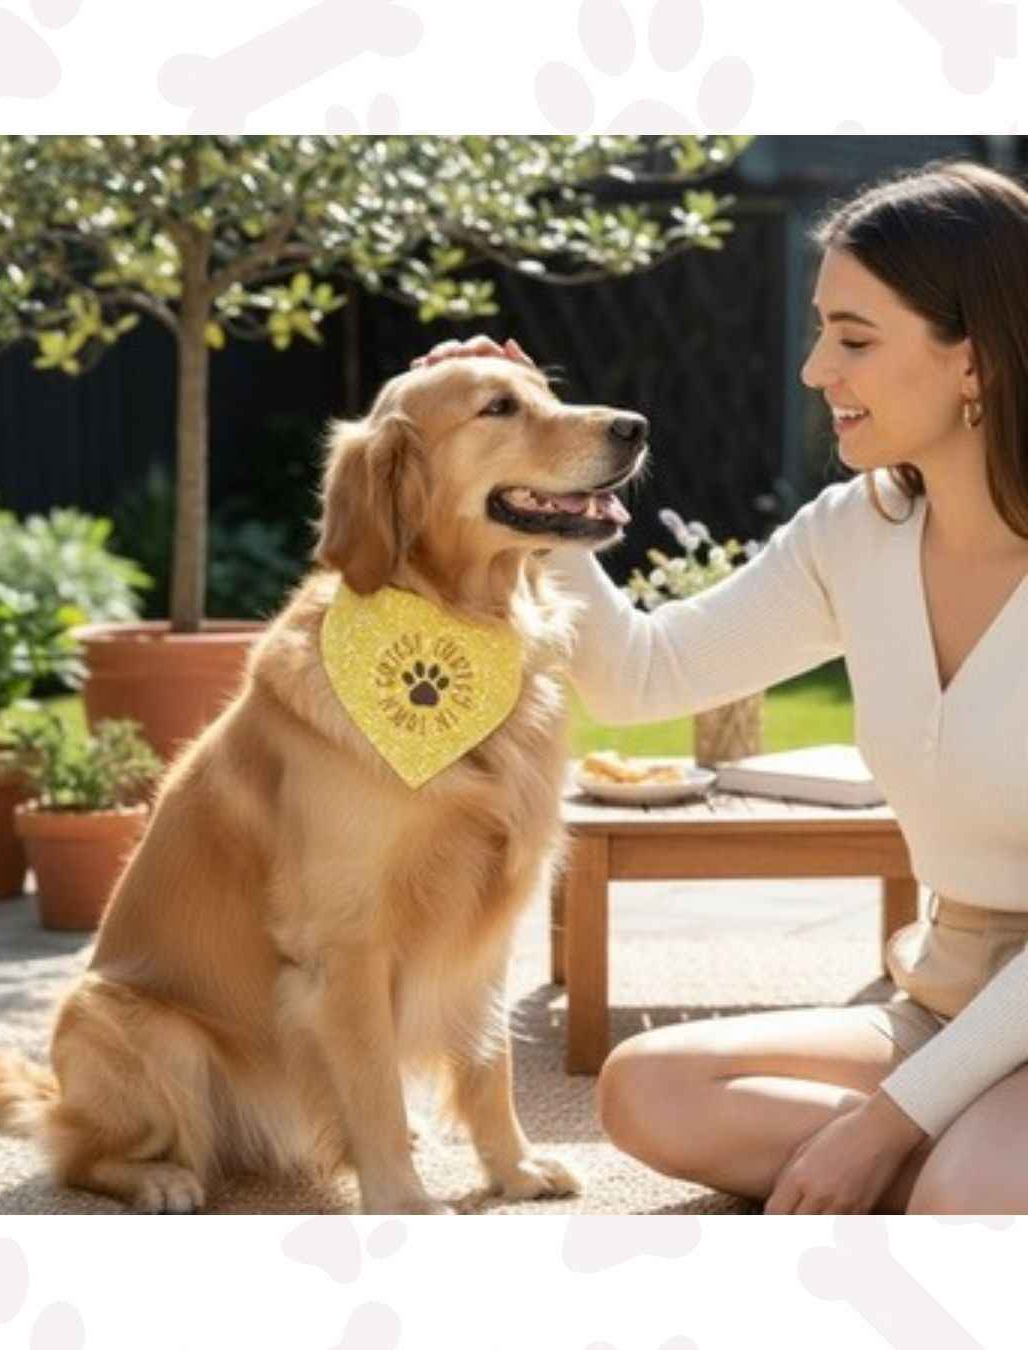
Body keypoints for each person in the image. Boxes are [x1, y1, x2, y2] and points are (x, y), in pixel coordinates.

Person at [413, 159, 1028, 1214]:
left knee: (959, 1193)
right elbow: (641, 672)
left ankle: (962, 1171)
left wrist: (884, 1124)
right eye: (823, 331)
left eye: (854, 338)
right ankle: (969, 1165)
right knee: (648, 1091)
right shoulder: (859, 533)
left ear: (970, 360)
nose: (813, 369)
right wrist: (534, 484)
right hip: (949, 992)